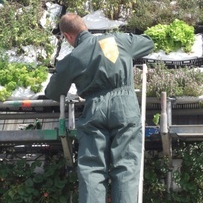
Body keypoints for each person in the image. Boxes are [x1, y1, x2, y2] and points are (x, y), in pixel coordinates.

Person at [45, 13, 154, 203]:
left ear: (68, 36)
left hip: (94, 107)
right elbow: (148, 43)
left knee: (92, 167)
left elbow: (54, 91)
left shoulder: (73, 58)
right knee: (126, 165)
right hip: (125, 106)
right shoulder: (116, 40)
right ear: (84, 26)